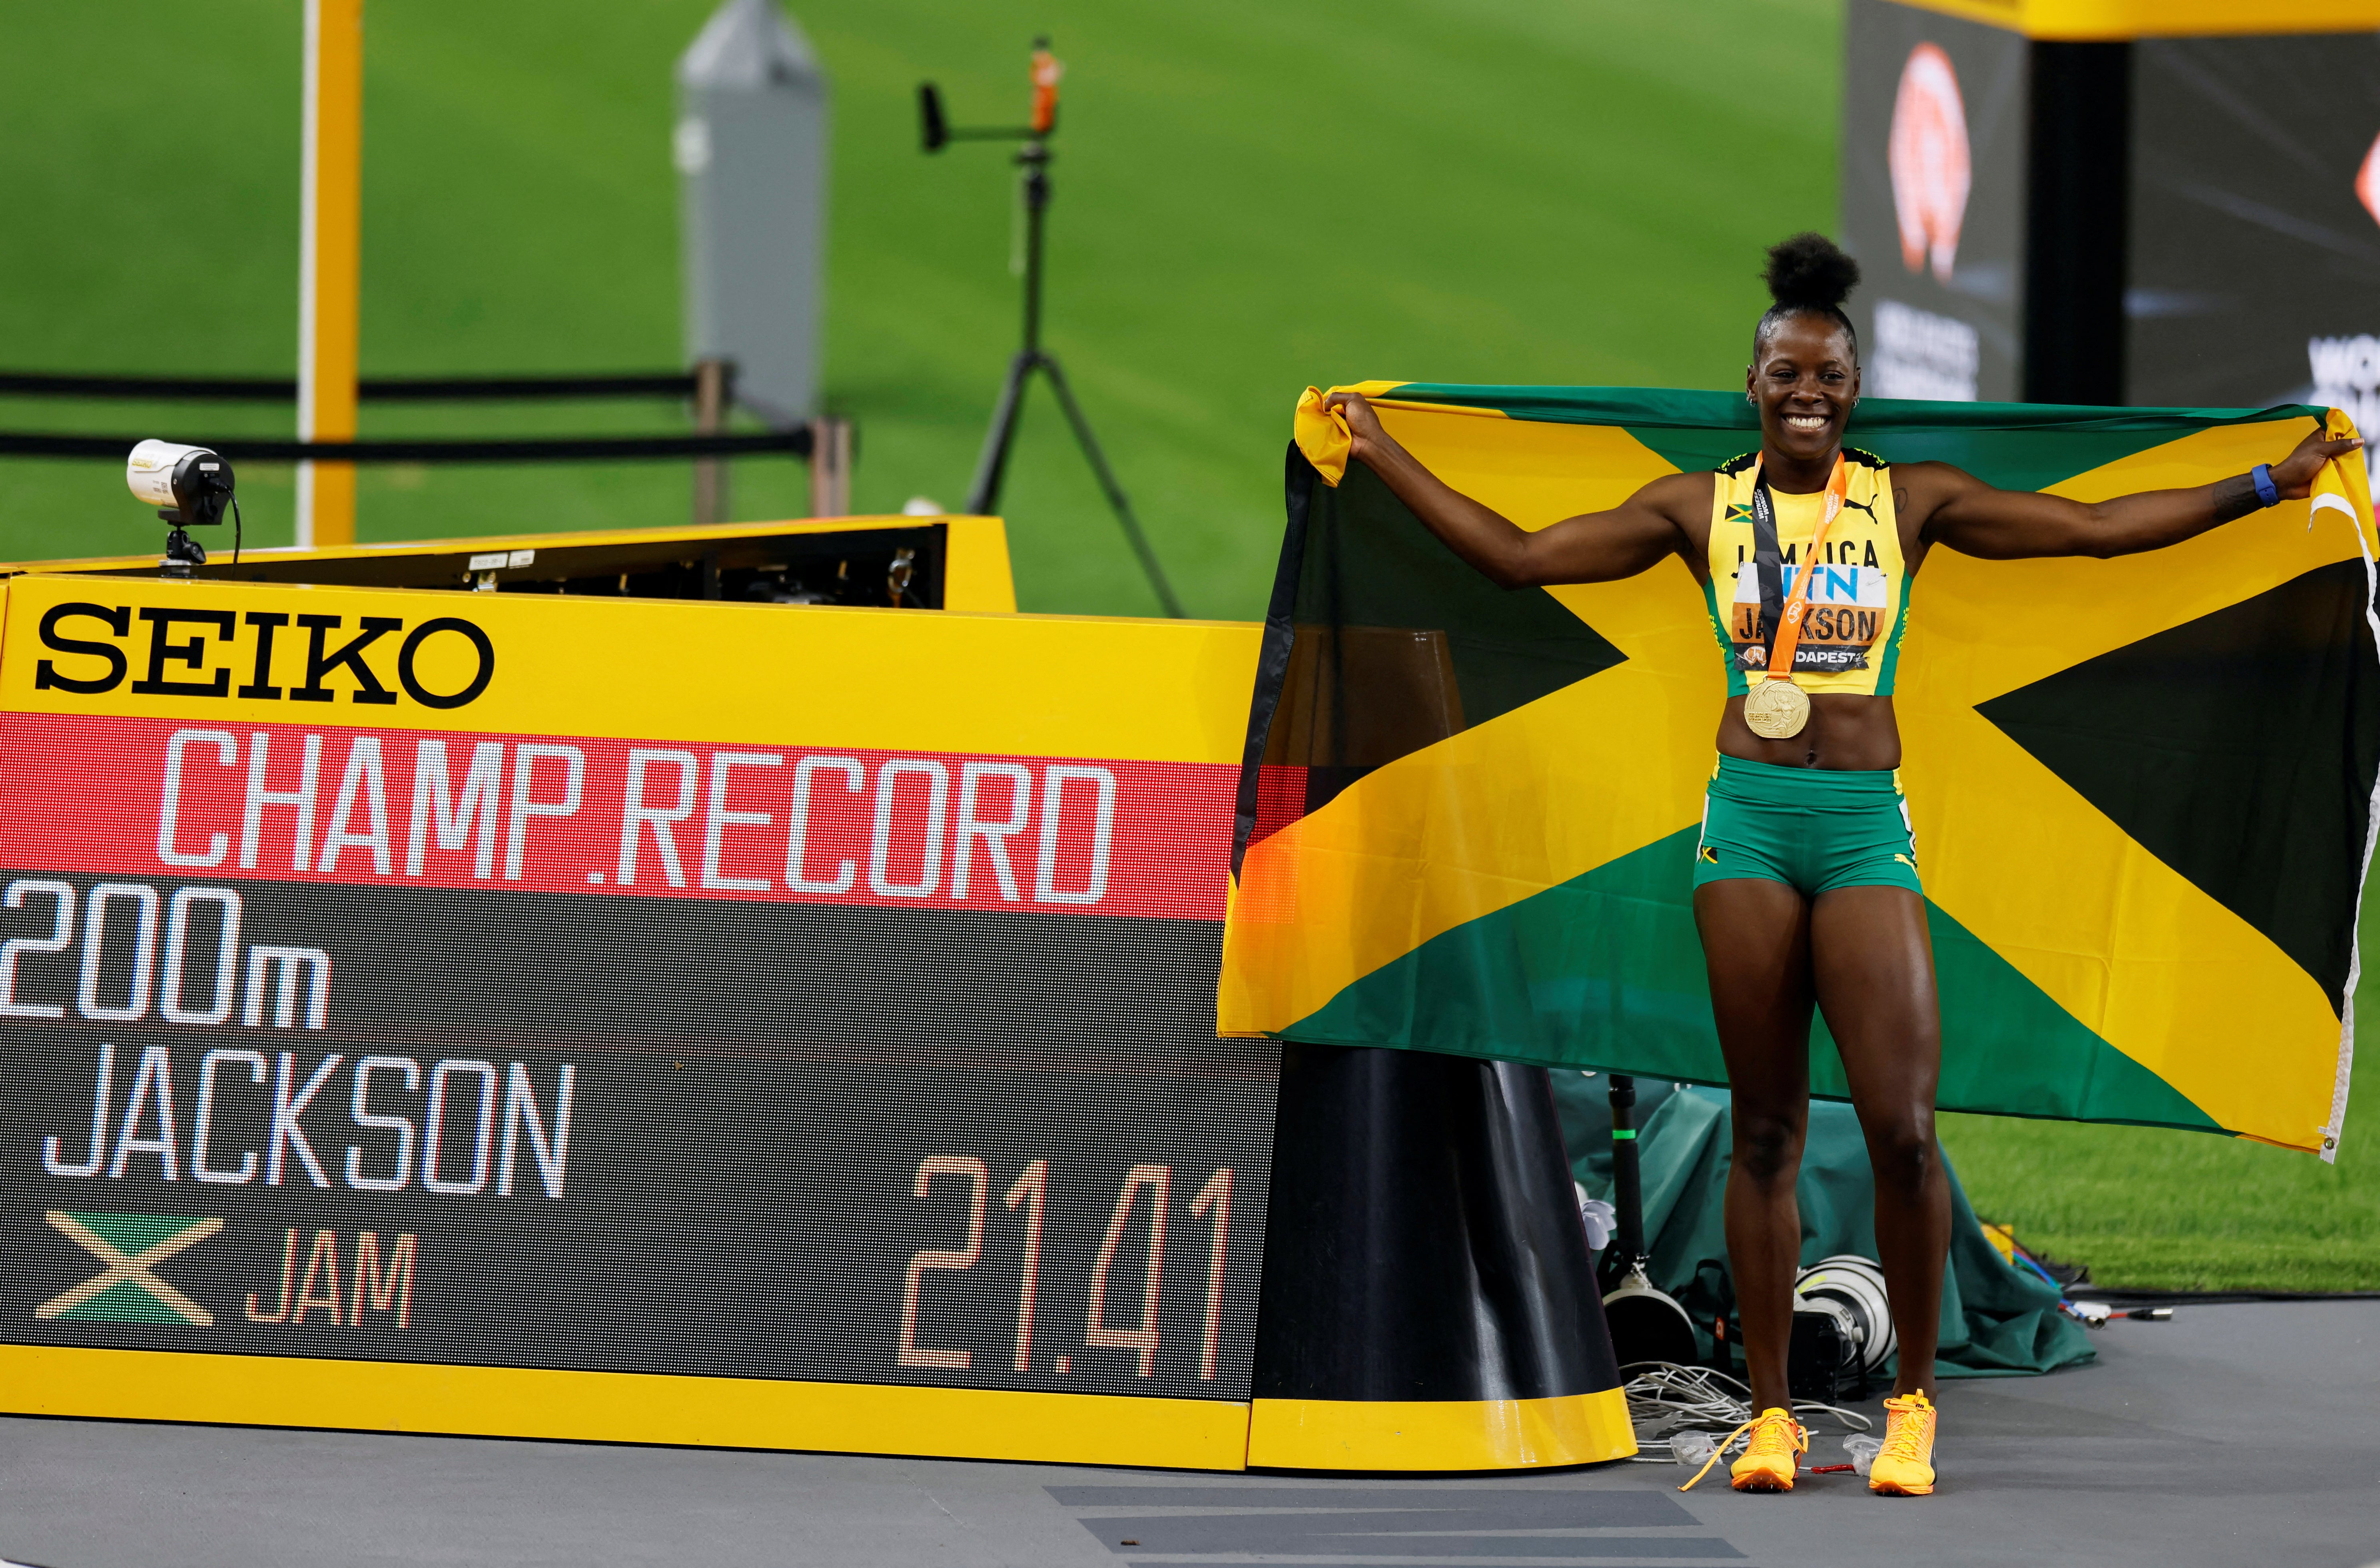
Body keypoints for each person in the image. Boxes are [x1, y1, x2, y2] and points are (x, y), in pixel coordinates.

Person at [1324, 232, 2357, 1499]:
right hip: (1745, 825)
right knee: (1761, 1132)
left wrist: (2266, 483)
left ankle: (1911, 1406)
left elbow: (2090, 530)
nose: (1805, 393)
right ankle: (1770, 1419)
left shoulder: (1908, 500)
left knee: (1902, 1134)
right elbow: (1526, 557)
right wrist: (1381, 453)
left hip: (1863, 827)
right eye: (1783, 374)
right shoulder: (1693, 507)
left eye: (1826, 376)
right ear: (1750, 385)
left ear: (1852, 389)